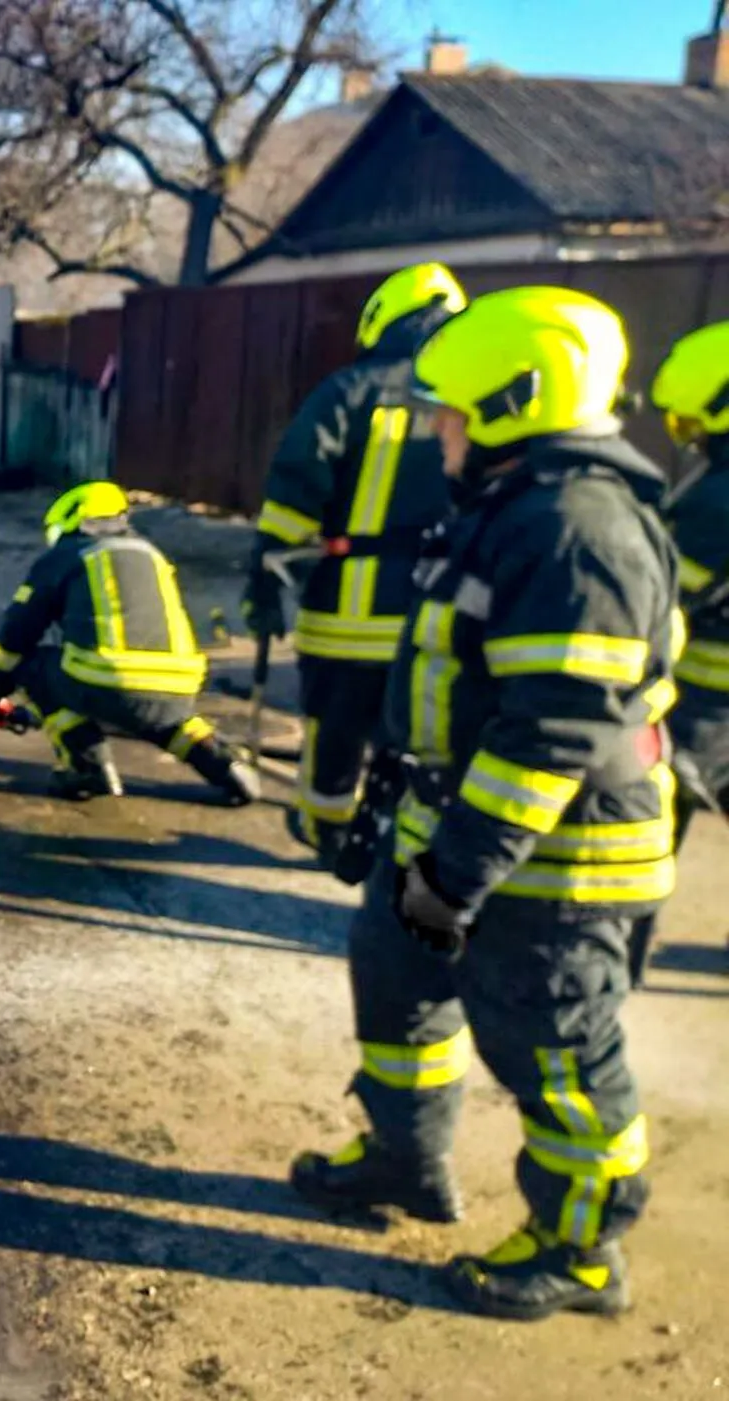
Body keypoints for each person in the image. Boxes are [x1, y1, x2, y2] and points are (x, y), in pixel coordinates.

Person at [289, 287, 679, 1321]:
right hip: (455, 833)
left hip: (552, 865)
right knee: (394, 984)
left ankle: (579, 1249)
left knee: (552, 1054)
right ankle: (402, 1161)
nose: (436, 433)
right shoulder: (513, 510)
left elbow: (547, 732)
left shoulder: (574, 531)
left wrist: (450, 878)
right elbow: (456, 682)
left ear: (514, 403)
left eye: (450, 414)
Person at [244, 263, 465, 866]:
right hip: (436, 610)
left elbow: (295, 490)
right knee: (413, 730)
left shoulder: (350, 391)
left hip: (348, 607)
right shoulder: (465, 398)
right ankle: (391, 832)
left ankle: (324, 827)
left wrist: (264, 580)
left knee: (335, 729)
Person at [0, 481, 260, 805]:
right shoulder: (152, 554)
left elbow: (18, 631)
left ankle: (87, 767)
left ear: (73, 521)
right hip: (180, 681)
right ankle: (227, 767)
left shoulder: (69, 554)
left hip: (107, 679)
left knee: (34, 668)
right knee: (164, 721)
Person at [652, 322, 729, 884]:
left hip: (705, 696)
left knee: (656, 814)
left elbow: (667, 595)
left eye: (692, 423)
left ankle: (623, 940)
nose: (689, 439)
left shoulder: (716, 499)